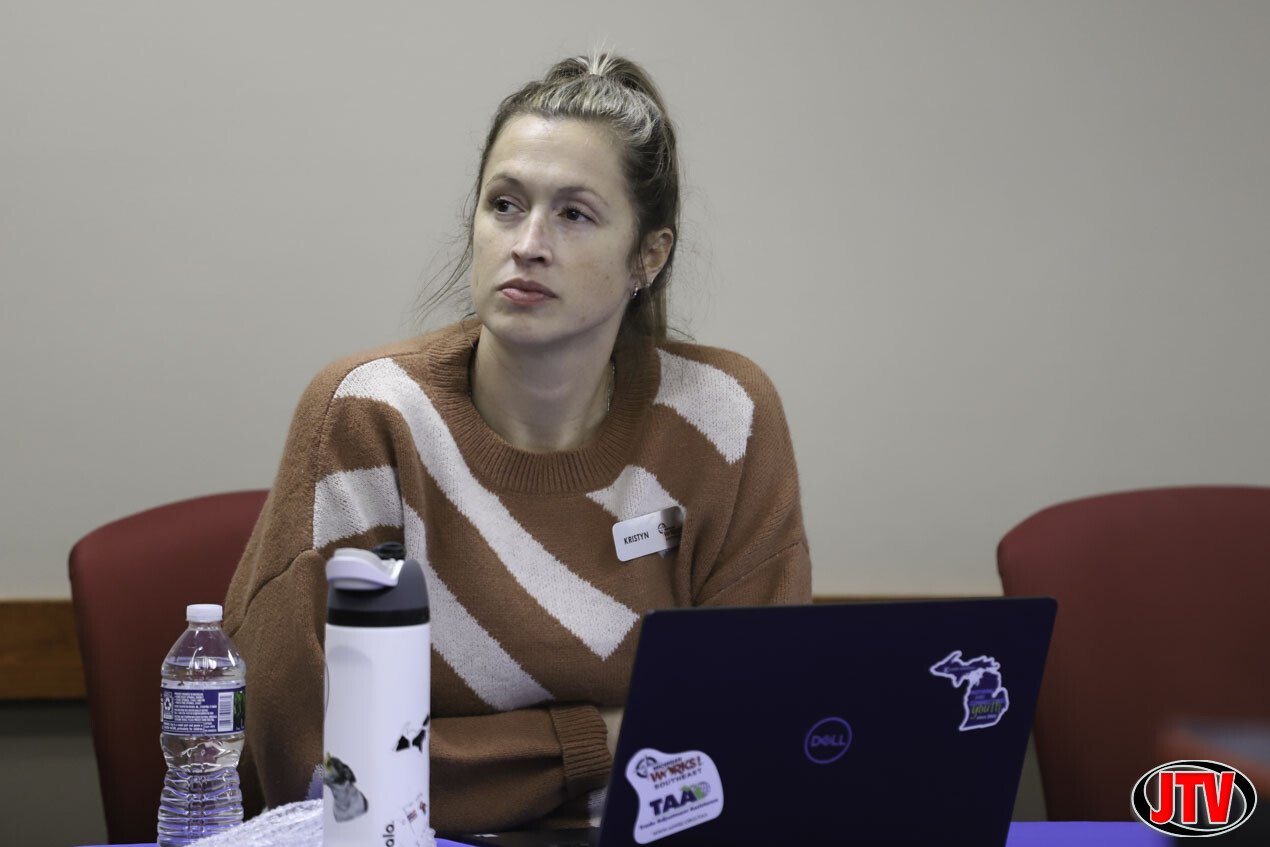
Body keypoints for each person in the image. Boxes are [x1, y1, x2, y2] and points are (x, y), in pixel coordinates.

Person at [222, 50, 811, 835]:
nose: (528, 242)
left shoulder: (722, 416)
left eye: (574, 214)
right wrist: (598, 742)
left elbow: (752, 733)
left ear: (649, 255)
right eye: (505, 205)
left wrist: (467, 760)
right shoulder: (369, 416)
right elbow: (315, 768)